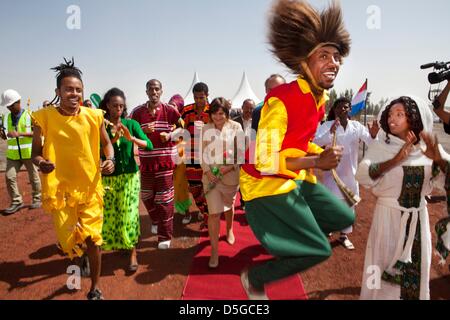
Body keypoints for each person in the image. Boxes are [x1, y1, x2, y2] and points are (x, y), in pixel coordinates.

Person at [239, 0, 354, 300]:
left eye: (337, 56)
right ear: (305, 61)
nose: (334, 63)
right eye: (325, 55)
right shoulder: (280, 100)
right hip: (264, 186)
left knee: (345, 218)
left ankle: (293, 232)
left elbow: (298, 144)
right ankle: (255, 278)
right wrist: (317, 160)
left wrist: (319, 151)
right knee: (318, 248)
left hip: (293, 179)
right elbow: (265, 159)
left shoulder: (320, 99)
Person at [31, 58, 115, 300]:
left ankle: (95, 286)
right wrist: (41, 163)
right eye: (68, 89)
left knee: (93, 239)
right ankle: (77, 255)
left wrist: (111, 160)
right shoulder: (43, 117)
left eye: (78, 89)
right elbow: (36, 153)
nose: (74, 93)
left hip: (90, 188)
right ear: (58, 91)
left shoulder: (94, 116)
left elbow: (107, 145)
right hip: (61, 191)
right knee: (69, 243)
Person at [357, 96, 449, 300]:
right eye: (390, 114)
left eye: (400, 114)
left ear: (413, 118)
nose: (392, 118)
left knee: (416, 275)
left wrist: (440, 161)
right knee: (379, 270)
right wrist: (396, 159)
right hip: (387, 220)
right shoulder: (381, 146)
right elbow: (363, 175)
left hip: (418, 221)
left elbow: (447, 177)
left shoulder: (428, 147)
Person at [99, 88, 153, 272]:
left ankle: (132, 253)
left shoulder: (131, 124)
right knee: (112, 215)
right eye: (115, 106)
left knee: (129, 215)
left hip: (130, 176)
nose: (118, 109)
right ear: (107, 105)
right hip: (109, 179)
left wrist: (132, 138)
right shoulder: (101, 126)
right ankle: (121, 243)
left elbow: (149, 145)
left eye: (121, 106)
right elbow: (99, 151)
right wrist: (113, 140)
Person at [314, 97, 379, 250]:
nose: (343, 109)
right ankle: (328, 229)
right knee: (331, 204)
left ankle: (344, 236)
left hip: (350, 175)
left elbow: (371, 144)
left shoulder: (357, 126)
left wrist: (374, 135)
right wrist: (330, 133)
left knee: (348, 205)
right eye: (340, 107)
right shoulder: (327, 125)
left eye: (346, 107)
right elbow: (316, 142)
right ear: (335, 110)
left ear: (350, 110)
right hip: (332, 175)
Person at [130, 79, 181, 250]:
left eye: (157, 89)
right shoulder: (137, 112)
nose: (154, 91)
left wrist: (170, 135)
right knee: (146, 196)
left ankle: (164, 236)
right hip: (146, 163)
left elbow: (182, 128)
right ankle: (156, 220)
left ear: (161, 91)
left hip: (165, 162)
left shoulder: (169, 110)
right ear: (146, 92)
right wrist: (141, 131)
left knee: (164, 199)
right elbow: (128, 132)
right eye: (151, 89)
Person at [201, 98, 245, 268]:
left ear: (227, 113)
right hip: (210, 178)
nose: (217, 117)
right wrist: (207, 171)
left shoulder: (236, 127)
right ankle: (214, 251)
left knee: (229, 205)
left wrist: (226, 169)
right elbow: (201, 153)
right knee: (213, 213)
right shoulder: (205, 128)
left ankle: (229, 230)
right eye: (214, 113)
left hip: (230, 177)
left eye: (221, 113)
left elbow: (240, 154)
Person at [0, 89, 41, 215]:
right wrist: (3, 135)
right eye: (8, 106)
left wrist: (20, 134)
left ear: (19, 102)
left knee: (34, 177)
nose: (10, 108)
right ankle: (17, 201)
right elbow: (6, 135)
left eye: (12, 105)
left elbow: (39, 133)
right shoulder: (6, 117)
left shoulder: (30, 115)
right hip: (13, 155)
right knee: (9, 177)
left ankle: (37, 199)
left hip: (28, 153)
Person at [180, 82, 211, 225]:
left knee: (208, 189)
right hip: (191, 156)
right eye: (196, 97)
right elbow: (180, 130)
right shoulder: (186, 111)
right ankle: (205, 212)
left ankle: (207, 217)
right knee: (194, 188)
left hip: (208, 157)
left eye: (201, 97)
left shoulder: (212, 111)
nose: (198, 100)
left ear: (207, 96)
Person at [168, 94, 192, 216]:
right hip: (170, 159)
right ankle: (183, 209)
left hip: (181, 158)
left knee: (182, 185)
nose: (170, 108)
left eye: (173, 106)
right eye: (169, 105)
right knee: (176, 187)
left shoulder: (181, 122)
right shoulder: (167, 121)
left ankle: (188, 212)